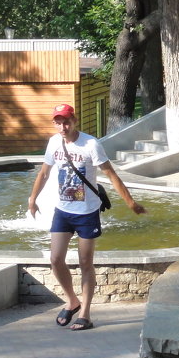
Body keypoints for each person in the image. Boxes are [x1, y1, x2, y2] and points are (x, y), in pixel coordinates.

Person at [28, 103, 146, 331]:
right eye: (58, 122)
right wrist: (32, 199)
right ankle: (72, 300)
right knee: (55, 259)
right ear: (54, 123)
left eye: (66, 121)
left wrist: (130, 202)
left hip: (87, 212)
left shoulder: (91, 144)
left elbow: (110, 174)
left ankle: (85, 313)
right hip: (62, 210)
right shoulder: (54, 142)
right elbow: (44, 173)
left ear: (75, 120)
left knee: (85, 263)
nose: (63, 126)